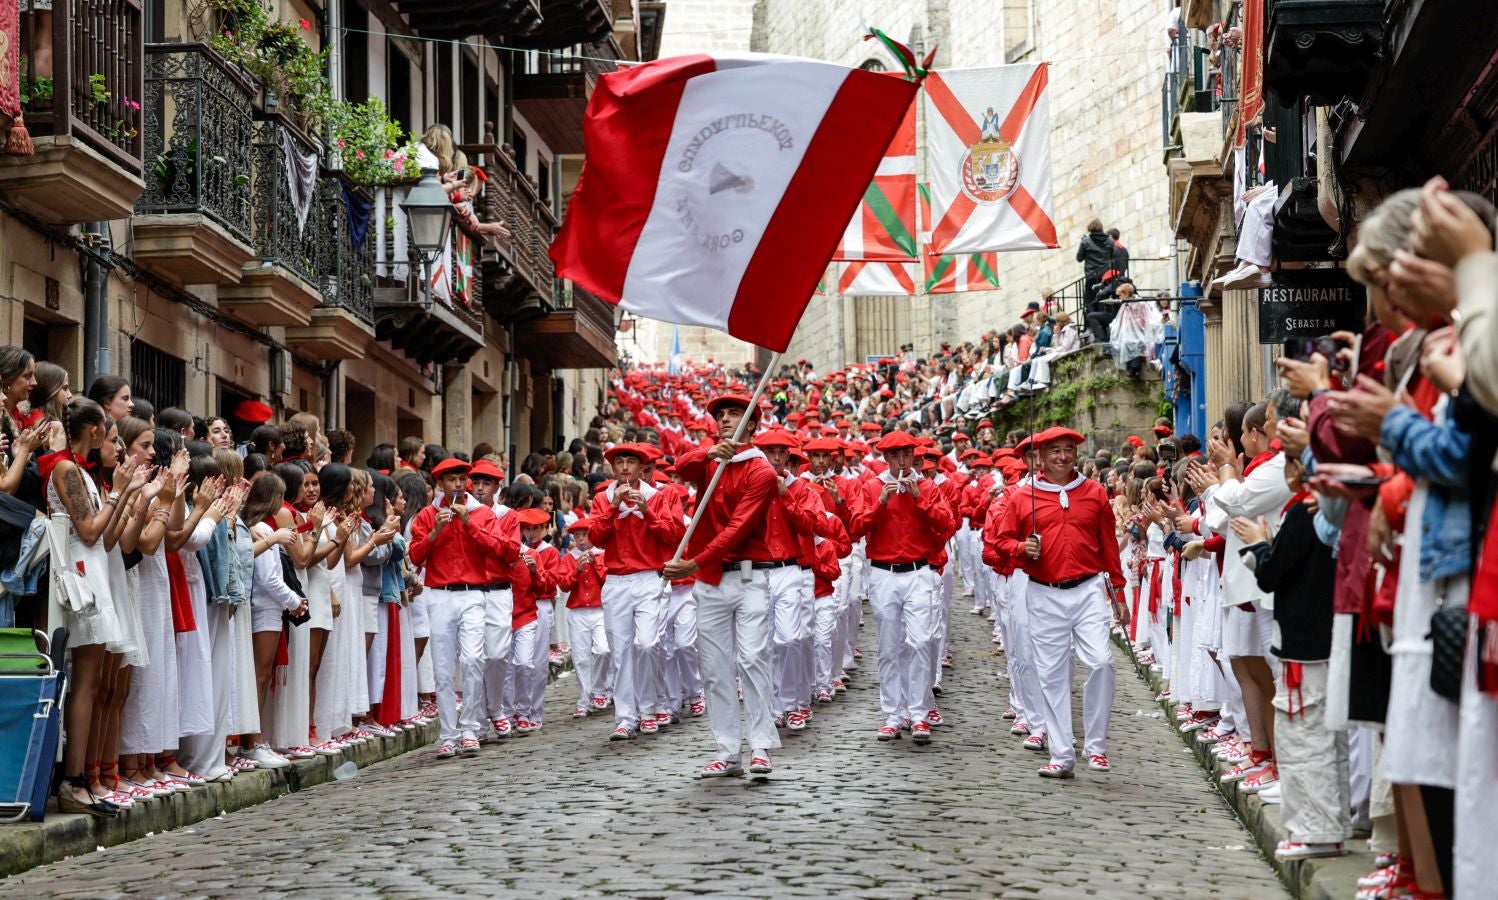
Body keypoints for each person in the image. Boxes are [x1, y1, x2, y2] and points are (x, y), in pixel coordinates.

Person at [994, 427, 1126, 778]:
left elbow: (1109, 546)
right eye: (1055, 451)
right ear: (1041, 456)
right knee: (1051, 673)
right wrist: (1021, 548)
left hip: (1088, 589)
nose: (1063, 457)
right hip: (1043, 592)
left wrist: (1118, 592)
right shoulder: (1023, 497)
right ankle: (1061, 754)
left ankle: (1096, 746)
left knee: (1101, 662)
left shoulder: (1094, 492)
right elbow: (1001, 541)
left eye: (1069, 449)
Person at [667, 394, 782, 776]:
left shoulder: (761, 471)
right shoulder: (711, 461)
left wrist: (693, 563)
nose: (727, 419)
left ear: (753, 424)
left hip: (750, 576)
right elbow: (680, 468)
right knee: (715, 669)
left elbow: (736, 529)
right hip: (711, 580)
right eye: (722, 415)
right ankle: (728, 751)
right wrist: (708, 452)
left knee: (752, 658)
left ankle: (761, 746)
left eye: (736, 414)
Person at [850, 429, 954, 745]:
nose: (901, 461)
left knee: (921, 641)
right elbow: (855, 528)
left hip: (920, 570)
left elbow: (947, 524)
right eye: (895, 456)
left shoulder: (928, 487)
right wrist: (881, 502)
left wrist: (920, 498)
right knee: (889, 645)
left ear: (913, 457)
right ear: (886, 458)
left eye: (906, 455)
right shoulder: (871, 486)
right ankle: (893, 715)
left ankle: (919, 713)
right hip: (883, 572)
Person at [407, 457, 516, 758]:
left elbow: (499, 549)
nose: (457, 485)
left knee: (472, 659)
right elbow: (415, 557)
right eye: (451, 480)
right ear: (440, 484)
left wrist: (469, 523)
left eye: (461, 479)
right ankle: (448, 734)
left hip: (473, 593)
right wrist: (434, 533)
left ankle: (470, 727)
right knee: (443, 668)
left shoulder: (482, 513)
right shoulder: (427, 515)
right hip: (440, 594)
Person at [587, 444, 684, 740]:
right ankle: (626, 717)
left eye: (631, 462)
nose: (626, 467)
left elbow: (674, 536)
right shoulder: (603, 498)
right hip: (616, 580)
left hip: (649, 579)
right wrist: (614, 507)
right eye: (620, 462)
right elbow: (596, 539)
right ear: (613, 468)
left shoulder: (658, 496)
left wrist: (647, 511)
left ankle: (650, 708)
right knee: (620, 653)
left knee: (647, 644)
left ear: (642, 468)